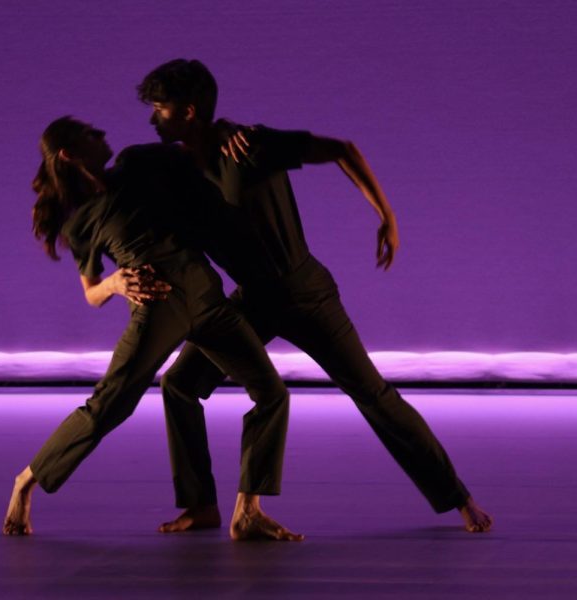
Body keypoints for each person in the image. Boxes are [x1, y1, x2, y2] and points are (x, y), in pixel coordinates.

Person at [137, 59, 493, 534]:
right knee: (179, 384)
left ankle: (459, 497)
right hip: (252, 301)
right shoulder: (178, 171)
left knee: (373, 394)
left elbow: (341, 149)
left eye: (160, 108)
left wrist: (385, 215)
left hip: (304, 293)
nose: (152, 118)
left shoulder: (251, 144)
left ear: (189, 110)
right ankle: (202, 506)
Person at [3, 116, 303, 541]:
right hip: (156, 308)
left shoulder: (138, 162)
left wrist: (227, 131)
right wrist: (114, 283)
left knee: (272, 393)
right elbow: (91, 291)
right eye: (91, 133)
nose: (103, 133)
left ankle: (245, 512)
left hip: (205, 295)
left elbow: (196, 149)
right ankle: (26, 481)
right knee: (110, 405)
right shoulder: (81, 219)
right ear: (69, 154)